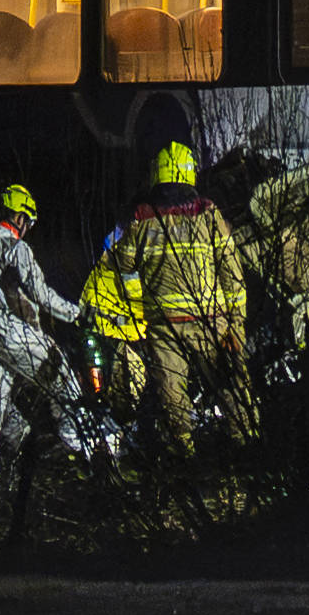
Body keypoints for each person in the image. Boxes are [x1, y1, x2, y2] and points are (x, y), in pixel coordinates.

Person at [105, 141, 252, 459]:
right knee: (231, 383)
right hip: (211, 322)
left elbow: (122, 266)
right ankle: (245, 449)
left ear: (156, 176)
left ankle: (185, 458)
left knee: (172, 394)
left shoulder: (141, 219)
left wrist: (137, 309)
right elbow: (233, 274)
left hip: (165, 327)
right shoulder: (209, 215)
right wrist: (236, 324)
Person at [0, 183, 88, 482]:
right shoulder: (15, 248)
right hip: (8, 331)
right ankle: (77, 449)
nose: (29, 228)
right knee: (64, 377)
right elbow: (41, 296)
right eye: (28, 221)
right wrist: (77, 314)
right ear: (19, 217)